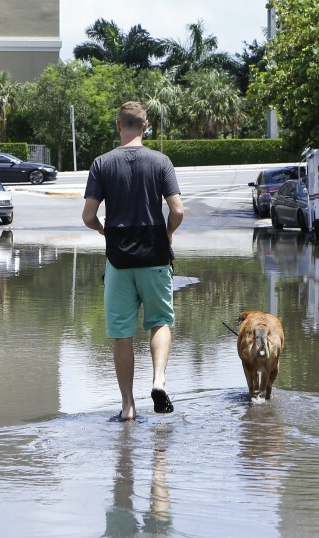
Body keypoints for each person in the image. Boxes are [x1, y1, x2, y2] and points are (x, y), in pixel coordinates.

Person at [82, 101, 184, 421]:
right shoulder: (161, 161)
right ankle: (158, 380)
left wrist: (104, 232)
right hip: (154, 255)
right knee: (160, 322)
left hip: (119, 259)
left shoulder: (101, 163)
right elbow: (178, 211)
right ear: (145, 125)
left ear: (118, 126)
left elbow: (88, 216)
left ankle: (128, 406)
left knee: (122, 335)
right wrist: (167, 235)